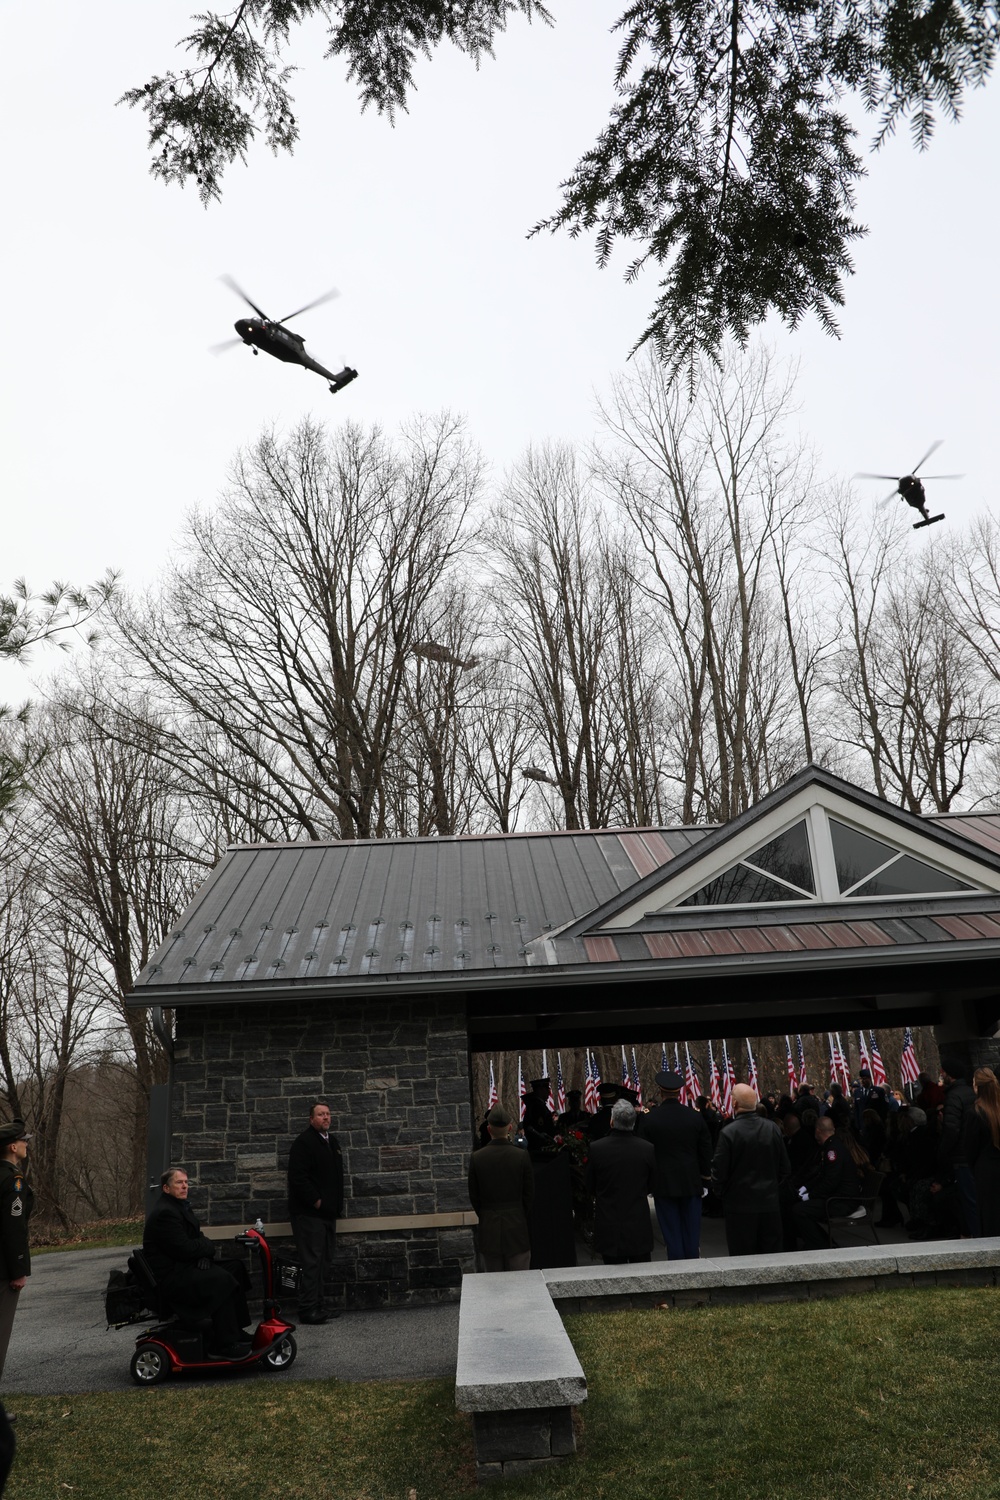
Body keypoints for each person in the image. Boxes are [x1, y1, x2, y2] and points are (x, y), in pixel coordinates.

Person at [143, 1169, 251, 1358]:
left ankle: (235, 1331)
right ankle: (224, 1345)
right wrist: (205, 1248)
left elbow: (196, 1240)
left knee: (235, 1268)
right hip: (172, 1278)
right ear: (166, 1188)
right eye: (179, 1183)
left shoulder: (180, 1207)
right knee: (221, 1280)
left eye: (186, 1182)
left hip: (186, 1265)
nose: (184, 1186)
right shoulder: (165, 1213)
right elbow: (185, 1248)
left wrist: (204, 1255)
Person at [639, 1069, 712, 1260]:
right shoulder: (695, 1117)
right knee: (691, 1232)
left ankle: (677, 1266)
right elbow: (705, 1150)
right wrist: (705, 1178)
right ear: (679, 1093)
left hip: (663, 1182)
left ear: (661, 1092)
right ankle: (692, 1266)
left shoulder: (649, 1118)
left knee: (672, 1234)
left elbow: (644, 1152)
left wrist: (648, 1180)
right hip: (691, 1180)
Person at [711, 1083, 790, 1256]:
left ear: (735, 1104)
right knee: (771, 1255)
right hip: (768, 1203)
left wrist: (723, 1193)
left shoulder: (728, 1133)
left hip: (739, 1207)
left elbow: (719, 1171)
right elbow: (785, 1168)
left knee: (742, 1257)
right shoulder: (773, 1129)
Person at [287, 1100, 345, 1323]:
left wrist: (335, 1207)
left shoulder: (333, 1143)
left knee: (324, 1260)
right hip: (309, 1214)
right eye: (321, 1115)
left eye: (328, 1114)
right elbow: (298, 1178)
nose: (326, 1118)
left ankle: (319, 1306)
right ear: (311, 1119)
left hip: (329, 1215)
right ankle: (307, 1309)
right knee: (311, 1261)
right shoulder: (304, 1143)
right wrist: (317, 1202)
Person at [587, 1100, 656, 1264]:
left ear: (611, 1121)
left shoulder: (597, 1148)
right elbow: (653, 1184)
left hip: (609, 1223)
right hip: (638, 1224)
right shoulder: (647, 1149)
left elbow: (590, 1185)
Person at [467, 1105, 534, 1271]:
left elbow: (474, 1197)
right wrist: (517, 1213)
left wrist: (487, 1215)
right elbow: (529, 1194)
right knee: (520, 1286)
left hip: (489, 1229)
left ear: (489, 1129)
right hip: (517, 1229)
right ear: (510, 1128)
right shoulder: (521, 1156)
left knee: (493, 1288)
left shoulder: (477, 1158)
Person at [0, 1118, 33, 1425]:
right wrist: (19, 1270)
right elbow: (13, 1229)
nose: (26, 1145)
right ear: (13, 1146)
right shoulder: (13, 1180)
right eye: (24, 1141)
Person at [791, 1117, 862, 1249]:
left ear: (817, 1131)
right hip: (838, 1198)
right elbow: (822, 1176)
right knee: (799, 1207)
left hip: (841, 1201)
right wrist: (805, 1188)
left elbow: (830, 1181)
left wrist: (809, 1196)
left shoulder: (832, 1150)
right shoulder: (832, 1145)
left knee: (799, 1210)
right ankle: (820, 1241)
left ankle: (820, 1244)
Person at [933, 1058, 977, 1237]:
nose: (941, 1076)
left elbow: (952, 1129)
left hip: (961, 1156)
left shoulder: (953, 1096)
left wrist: (943, 1151)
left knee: (969, 1201)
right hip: (972, 1153)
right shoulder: (970, 1093)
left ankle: (977, 1238)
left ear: (949, 1075)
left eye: (943, 1073)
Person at [965, 1068, 1000, 1237]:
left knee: (989, 1214)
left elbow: (970, 1148)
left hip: (985, 1169)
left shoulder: (975, 1112)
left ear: (977, 1087)